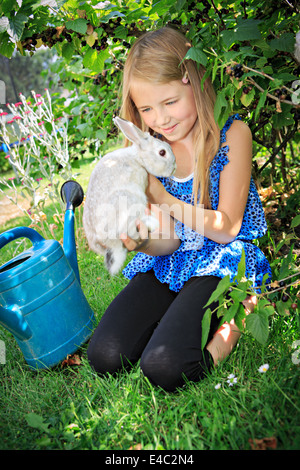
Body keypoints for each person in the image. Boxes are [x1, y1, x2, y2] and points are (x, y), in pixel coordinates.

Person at [87, 27, 272, 391]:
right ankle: (175, 317)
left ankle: (239, 314)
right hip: (173, 262)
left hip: (223, 259)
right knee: (106, 355)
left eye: (169, 102)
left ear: (194, 82)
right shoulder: (150, 147)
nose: (160, 119)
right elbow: (169, 241)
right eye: (146, 109)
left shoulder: (231, 135)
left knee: (166, 366)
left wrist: (166, 199)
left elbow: (227, 227)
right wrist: (142, 243)